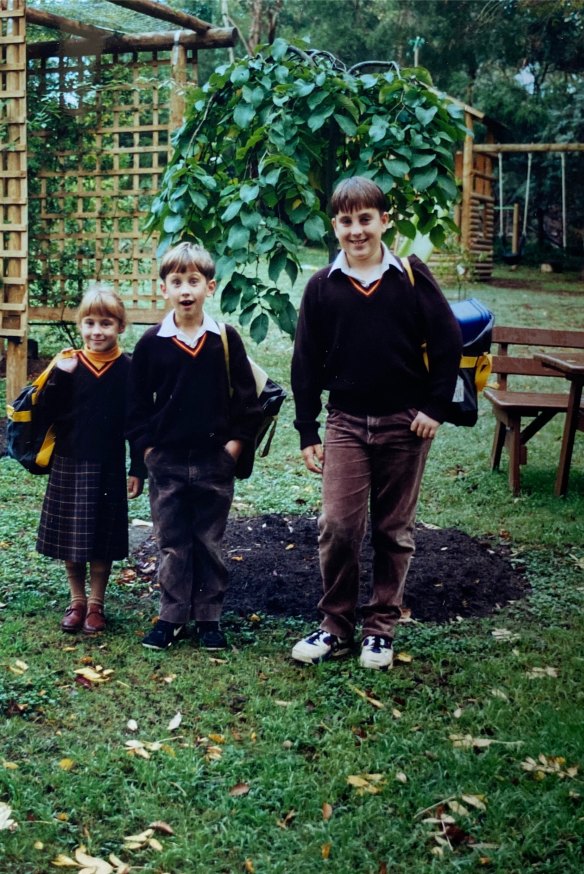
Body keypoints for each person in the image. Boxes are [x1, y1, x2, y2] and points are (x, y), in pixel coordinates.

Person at [290, 176, 462, 670]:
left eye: (366, 219)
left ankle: (380, 628)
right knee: (338, 525)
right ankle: (335, 624)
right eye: (346, 221)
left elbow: (448, 342)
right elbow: (304, 363)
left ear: (385, 221)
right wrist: (308, 430)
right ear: (335, 226)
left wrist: (434, 407)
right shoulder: (323, 287)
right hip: (345, 422)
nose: (357, 230)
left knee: (393, 529)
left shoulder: (410, 275)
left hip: (406, 423)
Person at [126, 241, 262, 652]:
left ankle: (208, 617)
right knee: (172, 540)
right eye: (177, 282)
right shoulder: (152, 342)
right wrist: (145, 455)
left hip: (213, 462)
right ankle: (171, 616)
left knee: (208, 540)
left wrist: (235, 448)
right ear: (163, 288)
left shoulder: (225, 339)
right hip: (166, 461)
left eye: (194, 281)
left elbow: (247, 401)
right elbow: (135, 407)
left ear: (210, 287)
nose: (186, 290)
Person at [36, 287, 145, 635]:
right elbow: (45, 415)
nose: (97, 331)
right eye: (90, 323)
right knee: (73, 537)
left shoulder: (128, 369)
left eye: (106, 323)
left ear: (120, 327)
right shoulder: (68, 364)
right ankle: (77, 600)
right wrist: (59, 377)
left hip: (108, 464)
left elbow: (137, 423)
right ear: (80, 324)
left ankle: (97, 603)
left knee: (101, 537)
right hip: (69, 460)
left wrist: (137, 469)